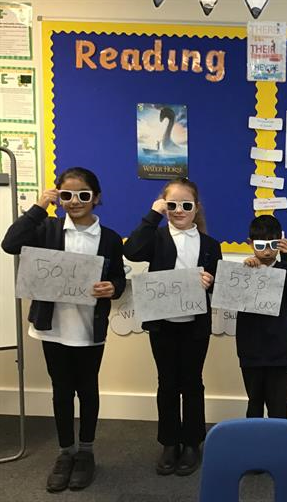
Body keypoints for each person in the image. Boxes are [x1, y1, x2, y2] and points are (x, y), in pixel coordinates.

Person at [1, 167, 126, 492]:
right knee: (61, 390)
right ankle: (65, 452)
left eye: (83, 195)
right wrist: (40, 206)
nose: (75, 201)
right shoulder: (47, 228)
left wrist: (112, 287)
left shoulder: (110, 238)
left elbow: (119, 278)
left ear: (96, 198)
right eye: (67, 194)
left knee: (88, 389)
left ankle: (86, 452)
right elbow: (10, 243)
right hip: (53, 326)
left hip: (88, 328)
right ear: (58, 196)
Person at [123, 177, 221, 476]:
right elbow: (132, 252)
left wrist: (210, 281)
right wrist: (153, 215)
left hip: (195, 326)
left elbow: (219, 285)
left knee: (192, 383)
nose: (179, 210)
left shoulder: (210, 244)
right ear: (164, 206)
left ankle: (191, 442)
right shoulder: (156, 237)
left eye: (186, 205)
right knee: (166, 383)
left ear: (196, 208)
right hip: (162, 324)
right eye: (172, 204)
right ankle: (169, 442)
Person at [235, 215, 287, 419]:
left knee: (278, 407)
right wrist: (245, 272)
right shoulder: (243, 272)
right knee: (254, 404)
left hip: (279, 351)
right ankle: (254, 438)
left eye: (273, 245)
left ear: (280, 242)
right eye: (260, 245)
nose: (267, 251)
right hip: (250, 351)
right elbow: (227, 295)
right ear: (250, 243)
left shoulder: (285, 269)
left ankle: (278, 439)